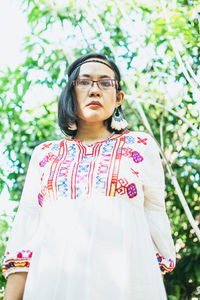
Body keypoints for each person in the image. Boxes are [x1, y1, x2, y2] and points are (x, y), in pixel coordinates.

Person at [2, 52, 176, 300]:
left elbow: (155, 221)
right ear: (71, 93)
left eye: (105, 83)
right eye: (84, 82)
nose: (95, 90)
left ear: (118, 98)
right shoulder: (45, 154)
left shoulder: (140, 146)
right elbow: (25, 235)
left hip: (127, 288)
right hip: (52, 288)